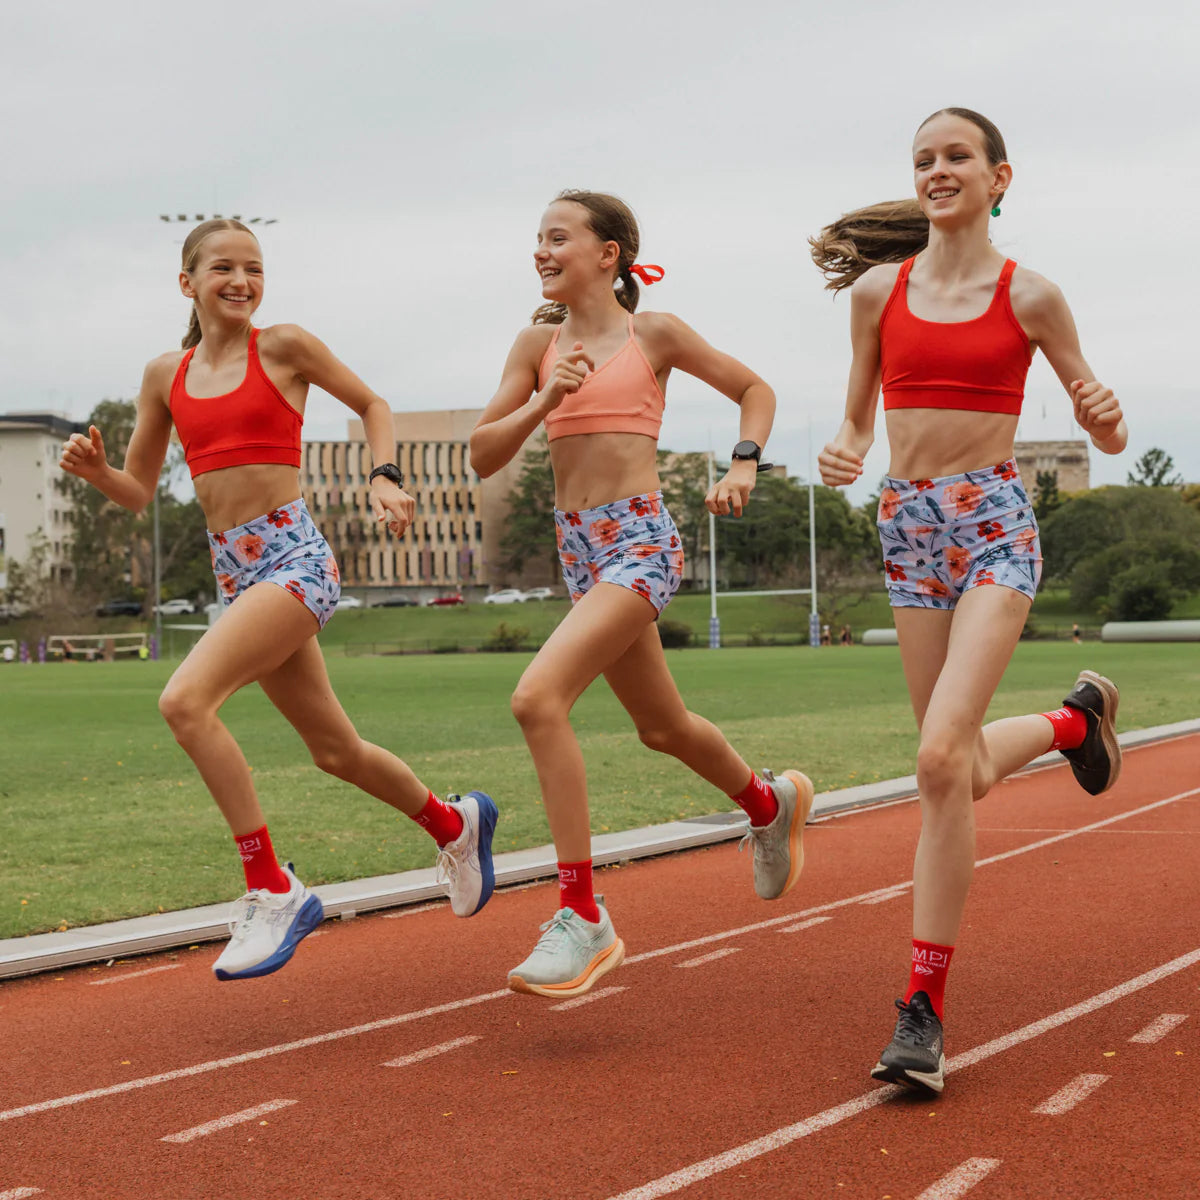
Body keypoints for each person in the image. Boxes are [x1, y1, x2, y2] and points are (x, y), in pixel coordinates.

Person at [59, 219, 497, 982]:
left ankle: (271, 886)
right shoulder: (167, 374)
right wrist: (98, 472)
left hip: (295, 560)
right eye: (223, 267)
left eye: (254, 268)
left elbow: (373, 402)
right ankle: (455, 822)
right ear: (186, 282)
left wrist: (385, 473)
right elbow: (136, 491)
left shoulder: (284, 346)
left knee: (185, 702)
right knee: (336, 751)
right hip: (237, 573)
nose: (241, 281)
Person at [812, 108, 1127, 1095]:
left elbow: (1102, 429)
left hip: (994, 523)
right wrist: (847, 449)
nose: (938, 170)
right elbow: (859, 416)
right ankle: (1074, 723)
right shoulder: (875, 293)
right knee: (956, 774)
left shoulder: (1032, 295)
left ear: (1000, 177)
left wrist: (1105, 418)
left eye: (957, 157)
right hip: (907, 528)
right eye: (923, 160)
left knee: (940, 757)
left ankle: (923, 1011)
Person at [470, 190, 813, 998]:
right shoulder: (535, 344)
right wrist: (543, 399)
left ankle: (582, 915)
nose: (541, 251)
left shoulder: (649, 333)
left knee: (537, 699)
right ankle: (769, 803)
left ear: (608, 253)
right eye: (538, 239)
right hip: (578, 547)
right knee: (661, 727)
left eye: (559, 237)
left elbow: (753, 388)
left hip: (639, 539)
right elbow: (482, 455)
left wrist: (743, 463)